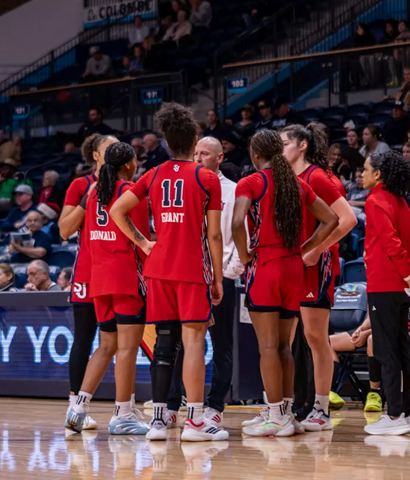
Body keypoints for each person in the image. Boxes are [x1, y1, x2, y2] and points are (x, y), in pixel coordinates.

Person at [109, 102, 227, 442]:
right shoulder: (206, 177)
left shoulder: (154, 173)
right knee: (193, 344)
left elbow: (118, 210)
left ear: (165, 141)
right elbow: (214, 235)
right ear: (194, 142)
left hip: (157, 268)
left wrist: (144, 243)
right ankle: (195, 422)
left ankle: (158, 421)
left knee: (163, 344)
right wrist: (217, 278)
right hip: (192, 268)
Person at [233, 130, 338, 437]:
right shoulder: (297, 182)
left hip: (264, 265)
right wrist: (305, 247)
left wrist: (244, 253)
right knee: (284, 346)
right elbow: (330, 219)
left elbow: (237, 221)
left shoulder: (250, 182)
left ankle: (276, 416)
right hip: (293, 267)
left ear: (255, 155)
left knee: (267, 348)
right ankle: (288, 413)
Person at [65, 141, 150, 436]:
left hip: (98, 280)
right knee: (127, 348)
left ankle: (78, 407)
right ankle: (123, 414)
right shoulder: (129, 193)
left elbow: (86, 239)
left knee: (107, 345)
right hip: (125, 276)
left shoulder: (93, 194)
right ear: (129, 165)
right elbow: (140, 240)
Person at [281, 123, 357, 431]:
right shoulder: (290, 179)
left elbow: (348, 219)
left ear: (301, 145)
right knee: (286, 340)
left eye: (285, 143)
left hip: (317, 267)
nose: (280, 149)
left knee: (315, 338)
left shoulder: (319, 178)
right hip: (291, 267)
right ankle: (283, 407)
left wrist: (315, 249)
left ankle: (321, 409)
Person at [166, 137, 245, 428]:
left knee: (221, 345)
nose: (198, 158)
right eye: (195, 153)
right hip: (189, 277)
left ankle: (215, 405)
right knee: (182, 345)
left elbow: (242, 235)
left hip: (220, 277)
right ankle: (174, 403)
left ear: (220, 157)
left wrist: (228, 273)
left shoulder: (233, 190)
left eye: (205, 154)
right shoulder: (186, 186)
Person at [360, 149, 410, 435]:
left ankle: (395, 415)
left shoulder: (375, 201)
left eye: (365, 170)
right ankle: (406, 413)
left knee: (386, 351)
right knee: (401, 349)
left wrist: (406, 273)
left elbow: (391, 243)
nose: (360, 175)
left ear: (378, 174)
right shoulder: (402, 202)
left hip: (385, 284)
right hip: (402, 288)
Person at [58, 132, 118, 432]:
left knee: (122, 341)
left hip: (119, 271)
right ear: (95, 154)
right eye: (109, 146)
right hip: (87, 272)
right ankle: (75, 406)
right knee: (84, 337)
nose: (116, 149)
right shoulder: (80, 185)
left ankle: (126, 409)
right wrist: (88, 198)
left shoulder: (127, 184)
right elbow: (64, 230)